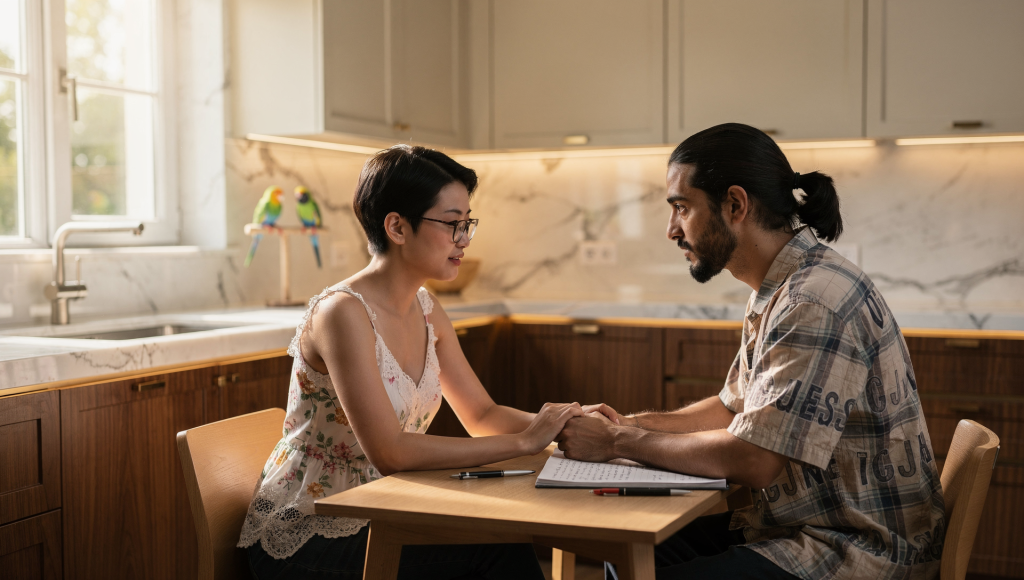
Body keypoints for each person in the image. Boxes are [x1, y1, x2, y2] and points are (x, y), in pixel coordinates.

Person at [557, 123, 945, 580]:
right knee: (627, 548)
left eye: (681, 207)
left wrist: (618, 442)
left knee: (641, 562)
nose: (671, 229)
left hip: (857, 550)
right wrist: (623, 423)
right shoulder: (782, 286)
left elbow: (756, 459)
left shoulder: (811, 301)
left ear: (735, 205)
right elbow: (732, 411)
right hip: (810, 528)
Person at [239, 145, 594, 580]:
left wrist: (563, 423)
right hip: (311, 532)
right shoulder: (342, 314)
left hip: (386, 509)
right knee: (497, 553)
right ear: (397, 227)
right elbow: (390, 452)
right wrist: (525, 442)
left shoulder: (426, 308)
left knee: (504, 539)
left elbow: (481, 414)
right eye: (451, 224)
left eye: (467, 224)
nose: (463, 239)